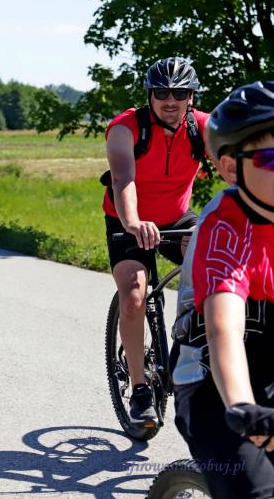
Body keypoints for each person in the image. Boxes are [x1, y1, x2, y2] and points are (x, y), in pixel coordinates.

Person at [172, 81, 274, 497]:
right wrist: (243, 407)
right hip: (215, 383)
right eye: (272, 158)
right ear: (232, 168)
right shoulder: (227, 226)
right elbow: (223, 329)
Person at [103, 57, 210, 427]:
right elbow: (122, 179)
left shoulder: (204, 127)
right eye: (162, 92)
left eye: (180, 93)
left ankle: (192, 342)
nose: (170, 100)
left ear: (191, 96)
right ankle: (140, 390)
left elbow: (237, 168)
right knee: (134, 295)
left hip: (177, 218)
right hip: (127, 218)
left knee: (212, 270)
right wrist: (133, 222)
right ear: (149, 95)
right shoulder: (126, 128)